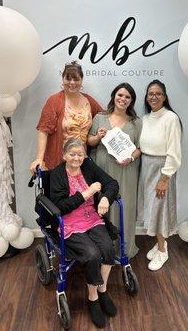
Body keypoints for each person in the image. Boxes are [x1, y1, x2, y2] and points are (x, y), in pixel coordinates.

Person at [49, 139, 119, 328]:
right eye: (72, 154)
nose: (76, 158)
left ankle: (103, 290)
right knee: (92, 254)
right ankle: (93, 298)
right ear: (64, 155)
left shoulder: (88, 166)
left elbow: (112, 183)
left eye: (80, 154)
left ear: (85, 155)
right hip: (70, 222)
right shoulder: (57, 175)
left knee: (107, 248)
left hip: (92, 218)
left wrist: (105, 197)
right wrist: (87, 193)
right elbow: (60, 207)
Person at [88, 83, 142, 258]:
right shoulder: (99, 118)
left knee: (124, 207)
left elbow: (141, 147)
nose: (123, 99)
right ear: (113, 96)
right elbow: (89, 142)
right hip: (103, 170)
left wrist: (132, 157)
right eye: (120, 95)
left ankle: (123, 249)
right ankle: (104, 250)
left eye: (127, 97)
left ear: (131, 101)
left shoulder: (136, 122)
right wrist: (98, 136)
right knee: (103, 207)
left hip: (127, 171)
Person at [138, 79, 181, 271]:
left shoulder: (170, 118)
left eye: (158, 94)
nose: (153, 97)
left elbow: (174, 152)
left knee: (160, 210)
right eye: (150, 94)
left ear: (164, 97)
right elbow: (142, 146)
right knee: (151, 209)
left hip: (162, 168)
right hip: (146, 166)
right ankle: (159, 243)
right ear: (146, 97)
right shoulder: (145, 119)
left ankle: (163, 250)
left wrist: (165, 178)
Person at [30, 61, 102, 172]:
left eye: (76, 79)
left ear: (81, 81)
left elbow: (104, 117)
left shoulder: (89, 101)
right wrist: (39, 158)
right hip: (59, 162)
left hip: (81, 162)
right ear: (63, 80)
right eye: (68, 79)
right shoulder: (54, 101)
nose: (72, 83)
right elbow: (43, 130)